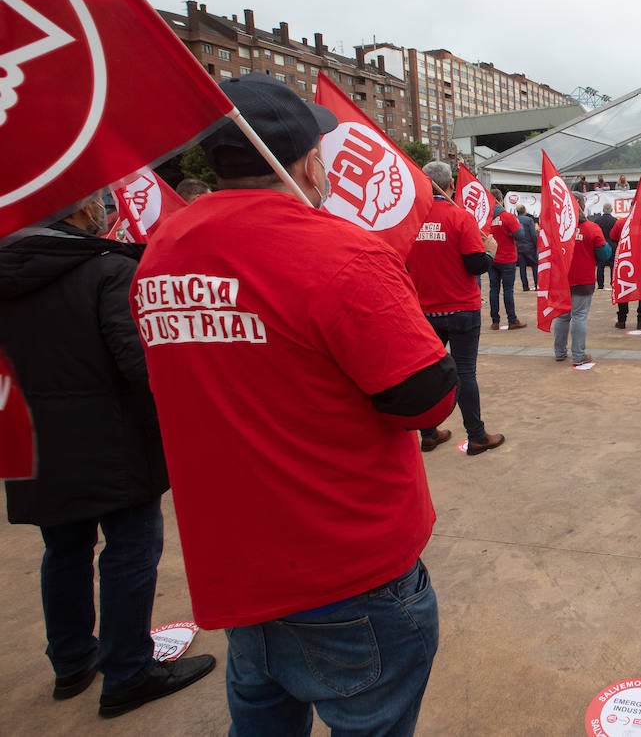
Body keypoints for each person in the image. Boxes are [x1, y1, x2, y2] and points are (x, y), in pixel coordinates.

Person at [134, 74, 456, 734]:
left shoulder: (161, 252)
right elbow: (426, 401)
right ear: (306, 159)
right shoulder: (338, 253)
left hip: (238, 566)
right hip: (346, 566)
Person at [0, 192, 217, 719]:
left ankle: (72, 661)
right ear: (77, 211)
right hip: (112, 439)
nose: (104, 206)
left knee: (65, 548)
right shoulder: (105, 270)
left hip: (30, 437)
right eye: (96, 199)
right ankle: (129, 671)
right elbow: (138, 364)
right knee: (131, 548)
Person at [407, 161, 507, 456]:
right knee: (465, 373)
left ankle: (428, 433)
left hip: (423, 310)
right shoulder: (460, 218)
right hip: (461, 308)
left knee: (428, 372)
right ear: (450, 184)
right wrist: (490, 249)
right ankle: (476, 435)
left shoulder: (409, 219)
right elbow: (476, 265)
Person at [553, 194, 611, 366]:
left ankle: (559, 352)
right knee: (579, 316)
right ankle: (578, 355)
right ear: (582, 207)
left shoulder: (558, 228)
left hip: (561, 279)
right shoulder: (592, 229)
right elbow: (604, 255)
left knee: (562, 317)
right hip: (583, 280)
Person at [609, 208, 641, 330]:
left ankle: (622, 320)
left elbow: (614, 239)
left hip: (625, 262)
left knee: (623, 289)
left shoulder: (621, 223)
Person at [487, 202, 525, 329]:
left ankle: (495, 321)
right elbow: (520, 235)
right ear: (500, 200)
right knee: (508, 290)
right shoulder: (508, 217)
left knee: (494, 290)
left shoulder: (486, 218)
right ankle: (512, 319)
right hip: (507, 258)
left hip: (492, 258)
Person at [591, 202, 618, 290]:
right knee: (613, 265)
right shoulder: (615, 221)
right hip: (612, 244)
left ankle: (600, 285)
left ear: (603, 210)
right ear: (611, 210)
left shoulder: (597, 221)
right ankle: (613, 283)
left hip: (601, 244)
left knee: (600, 265)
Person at [515, 204, 539, 291]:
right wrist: (536, 245)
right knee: (535, 265)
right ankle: (537, 285)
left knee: (522, 267)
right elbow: (533, 234)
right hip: (529, 247)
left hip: (518, 247)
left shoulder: (514, 219)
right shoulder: (529, 220)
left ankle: (525, 286)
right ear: (525, 210)